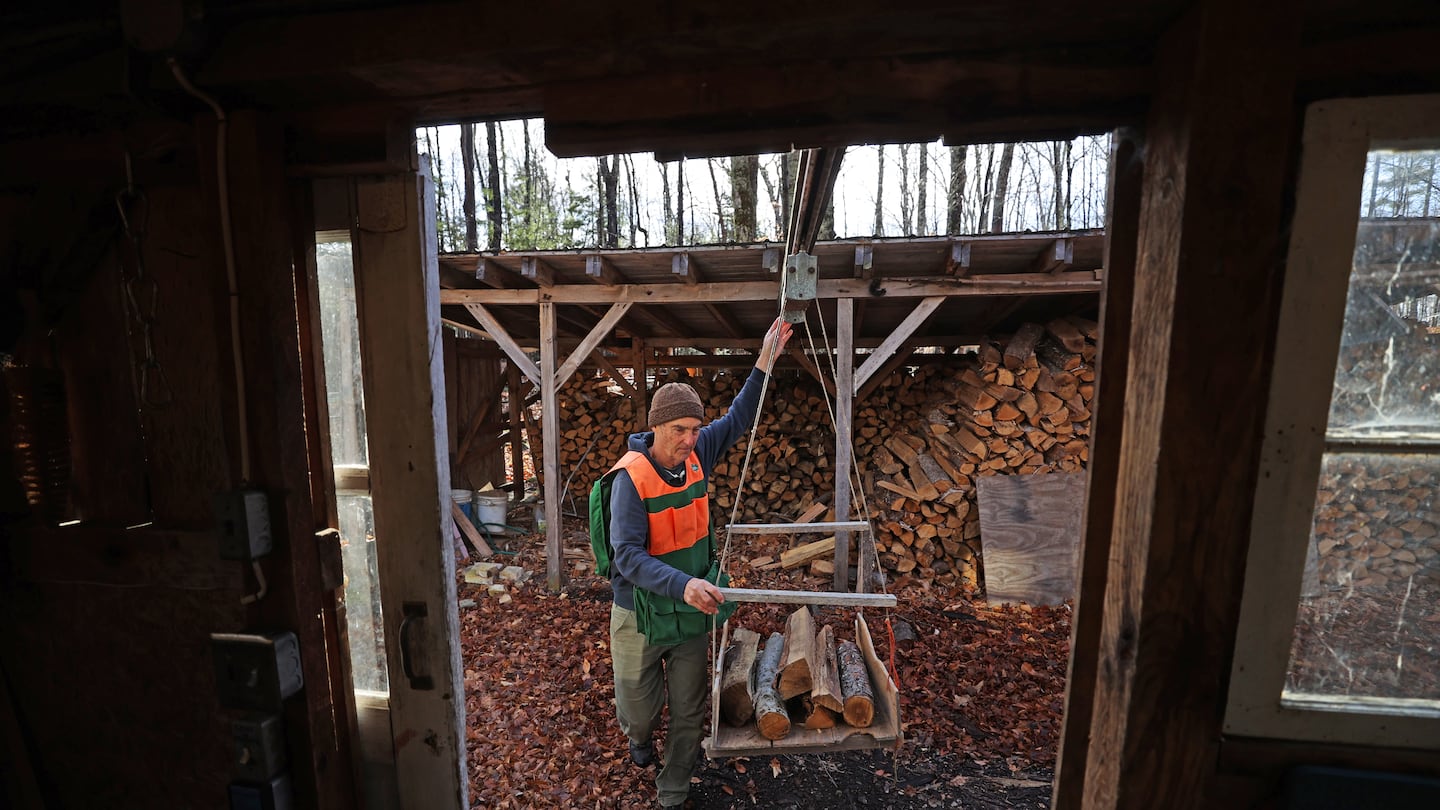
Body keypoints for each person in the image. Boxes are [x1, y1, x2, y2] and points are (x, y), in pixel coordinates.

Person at [601, 317, 792, 809]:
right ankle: (639, 737)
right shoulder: (631, 479)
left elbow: (738, 418)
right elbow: (627, 556)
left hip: (691, 608)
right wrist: (682, 583)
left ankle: (674, 788)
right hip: (639, 610)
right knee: (639, 711)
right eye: (679, 430)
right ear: (656, 427)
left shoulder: (699, 451)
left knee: (688, 709)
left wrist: (764, 363)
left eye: (693, 428)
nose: (690, 438)